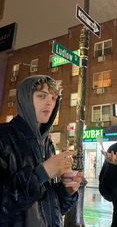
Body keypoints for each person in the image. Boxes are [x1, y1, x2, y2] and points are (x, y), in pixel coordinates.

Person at [0, 75, 83, 227]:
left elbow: (52, 210)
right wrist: (41, 174)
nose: (49, 102)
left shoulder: (47, 144)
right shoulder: (4, 137)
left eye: (53, 98)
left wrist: (67, 190)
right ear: (25, 99)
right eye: (41, 96)